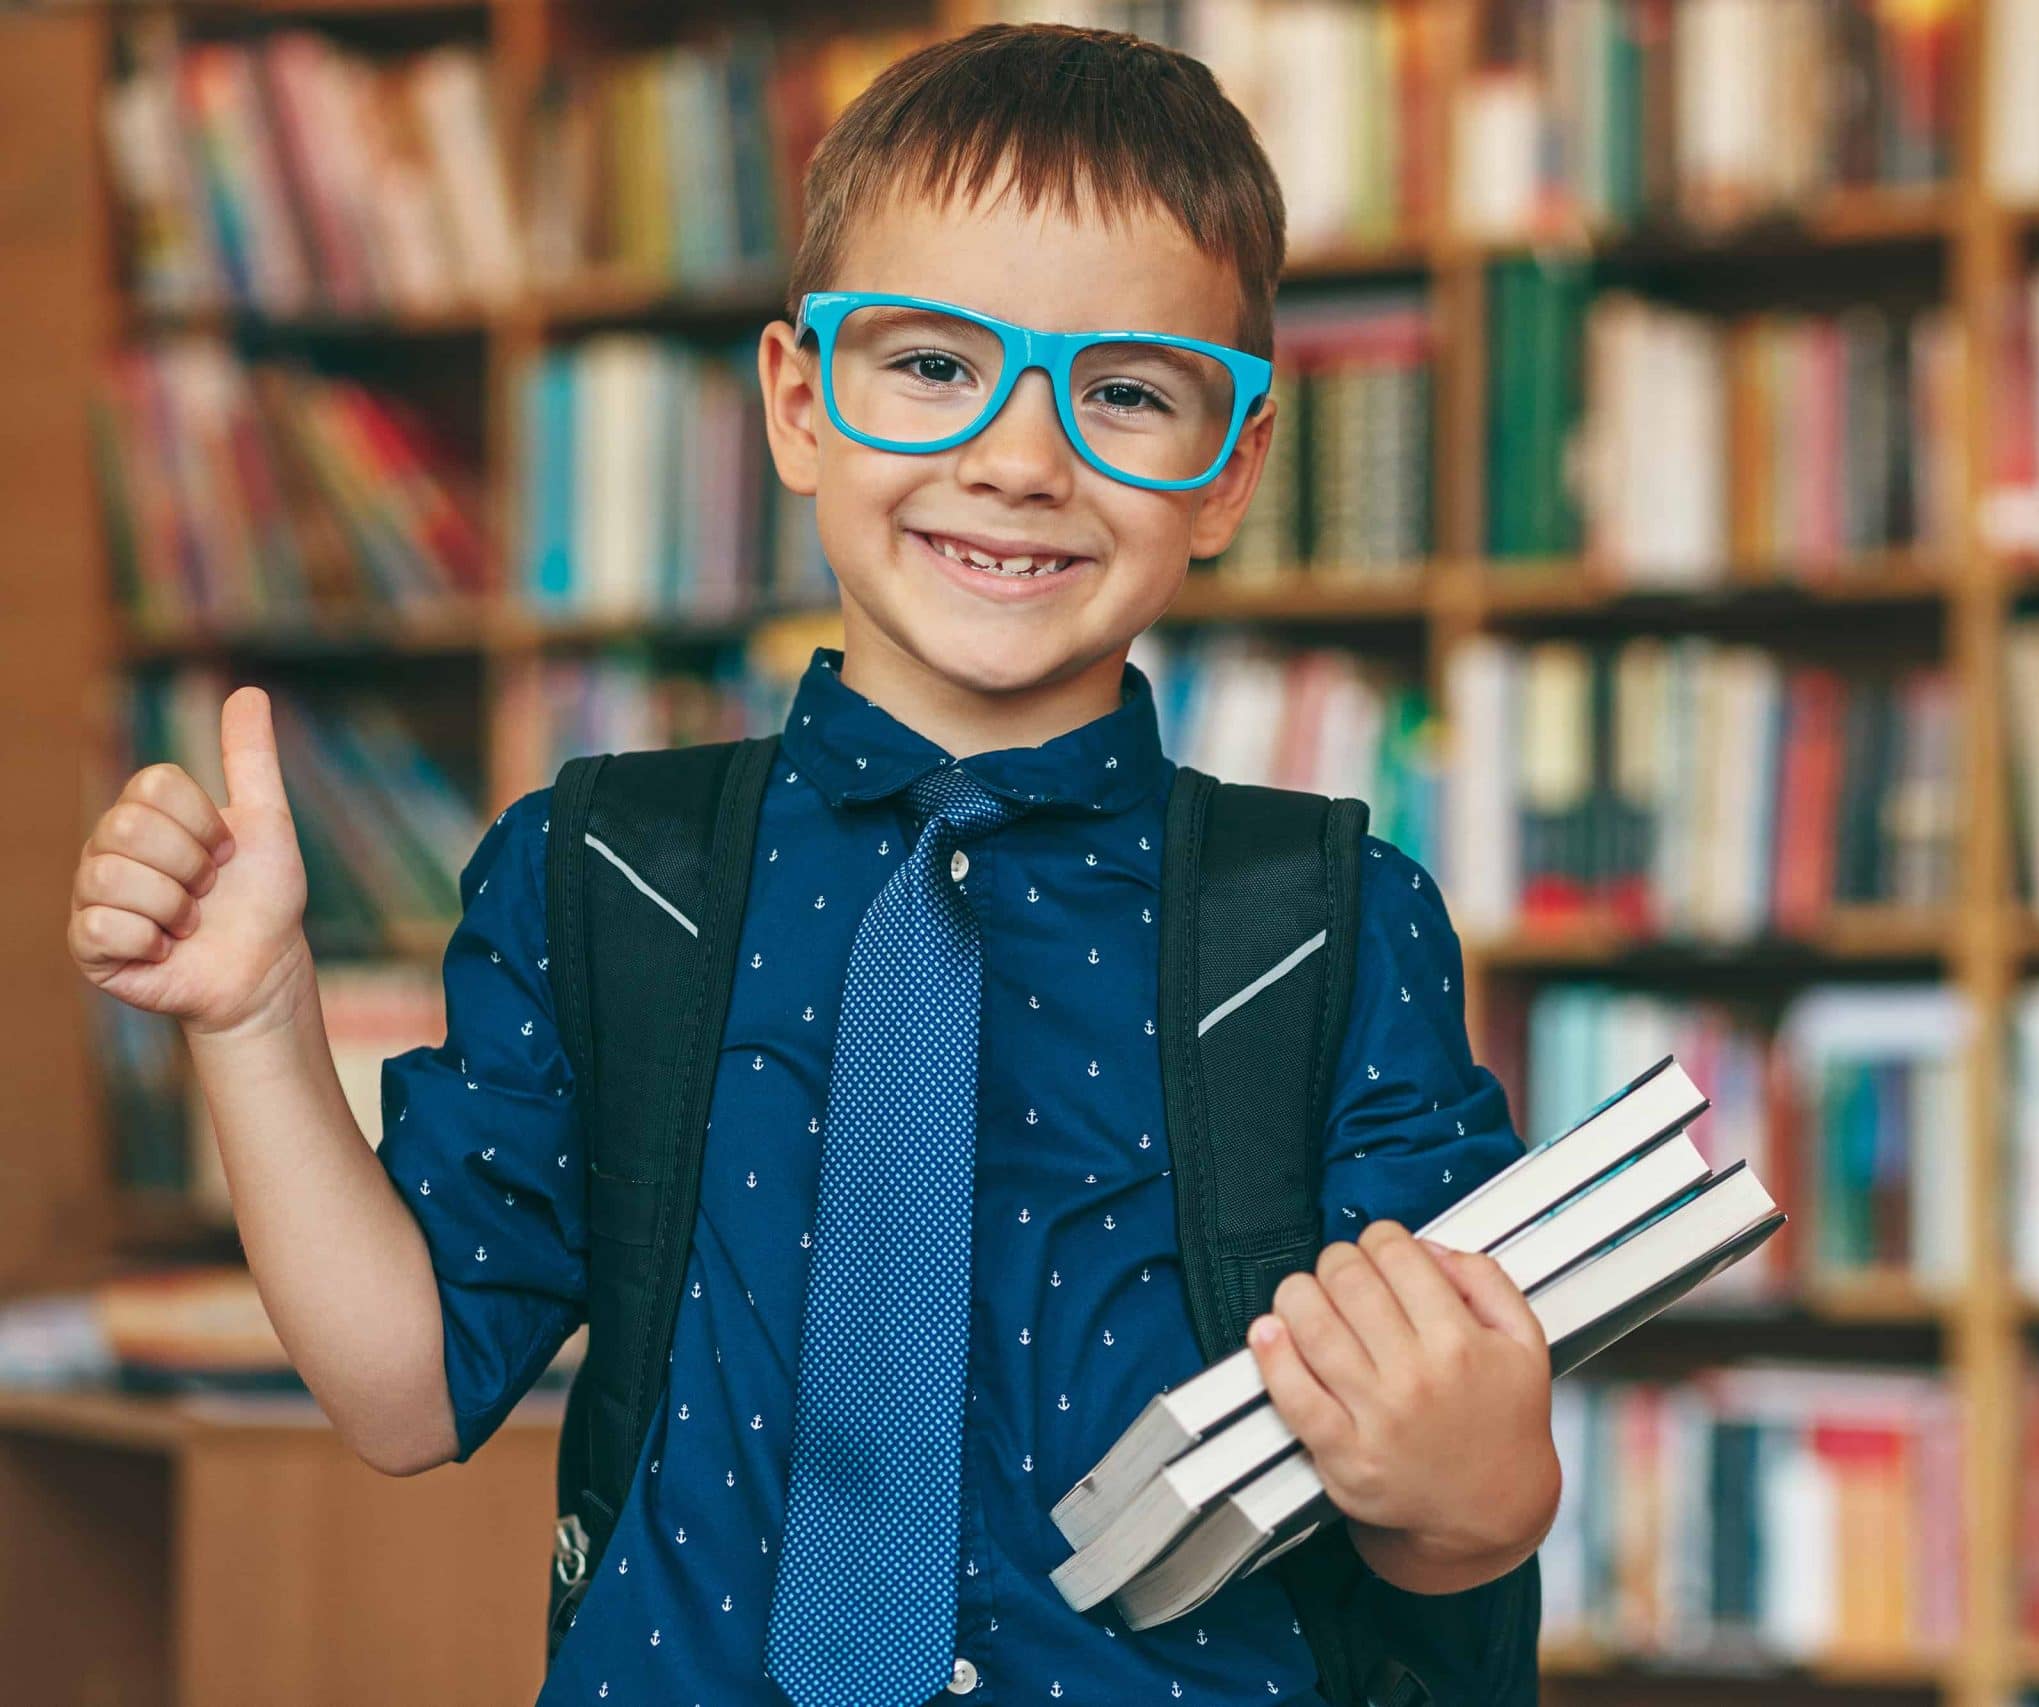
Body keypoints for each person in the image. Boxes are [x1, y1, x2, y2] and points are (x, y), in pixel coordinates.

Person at [66, 22, 1559, 1704]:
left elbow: (1443, 1512)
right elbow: (404, 1394)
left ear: (1234, 468)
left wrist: (1490, 1488)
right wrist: (254, 1020)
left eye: (1128, 392)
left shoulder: (1333, 929)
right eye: (930, 364)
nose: (1018, 456)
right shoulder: (603, 874)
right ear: (796, 401)